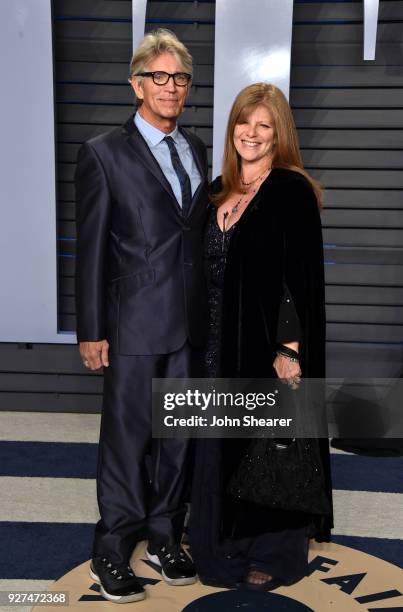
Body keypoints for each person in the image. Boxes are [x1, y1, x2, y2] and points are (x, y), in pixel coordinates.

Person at [75, 29, 209, 604]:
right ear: (136, 85)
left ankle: (162, 533)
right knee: (128, 439)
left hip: (191, 323)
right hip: (130, 322)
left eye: (178, 78)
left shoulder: (197, 147)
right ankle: (112, 545)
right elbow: (91, 247)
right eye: (158, 76)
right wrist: (90, 330)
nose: (170, 87)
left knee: (180, 435)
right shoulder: (103, 152)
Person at [189, 83, 333, 590]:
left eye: (263, 125)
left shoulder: (290, 190)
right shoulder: (215, 191)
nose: (251, 133)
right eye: (243, 122)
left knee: (266, 449)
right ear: (232, 128)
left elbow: (299, 279)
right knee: (217, 449)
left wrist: (287, 348)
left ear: (279, 134)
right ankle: (218, 545)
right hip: (210, 346)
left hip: (263, 346)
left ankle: (273, 552)